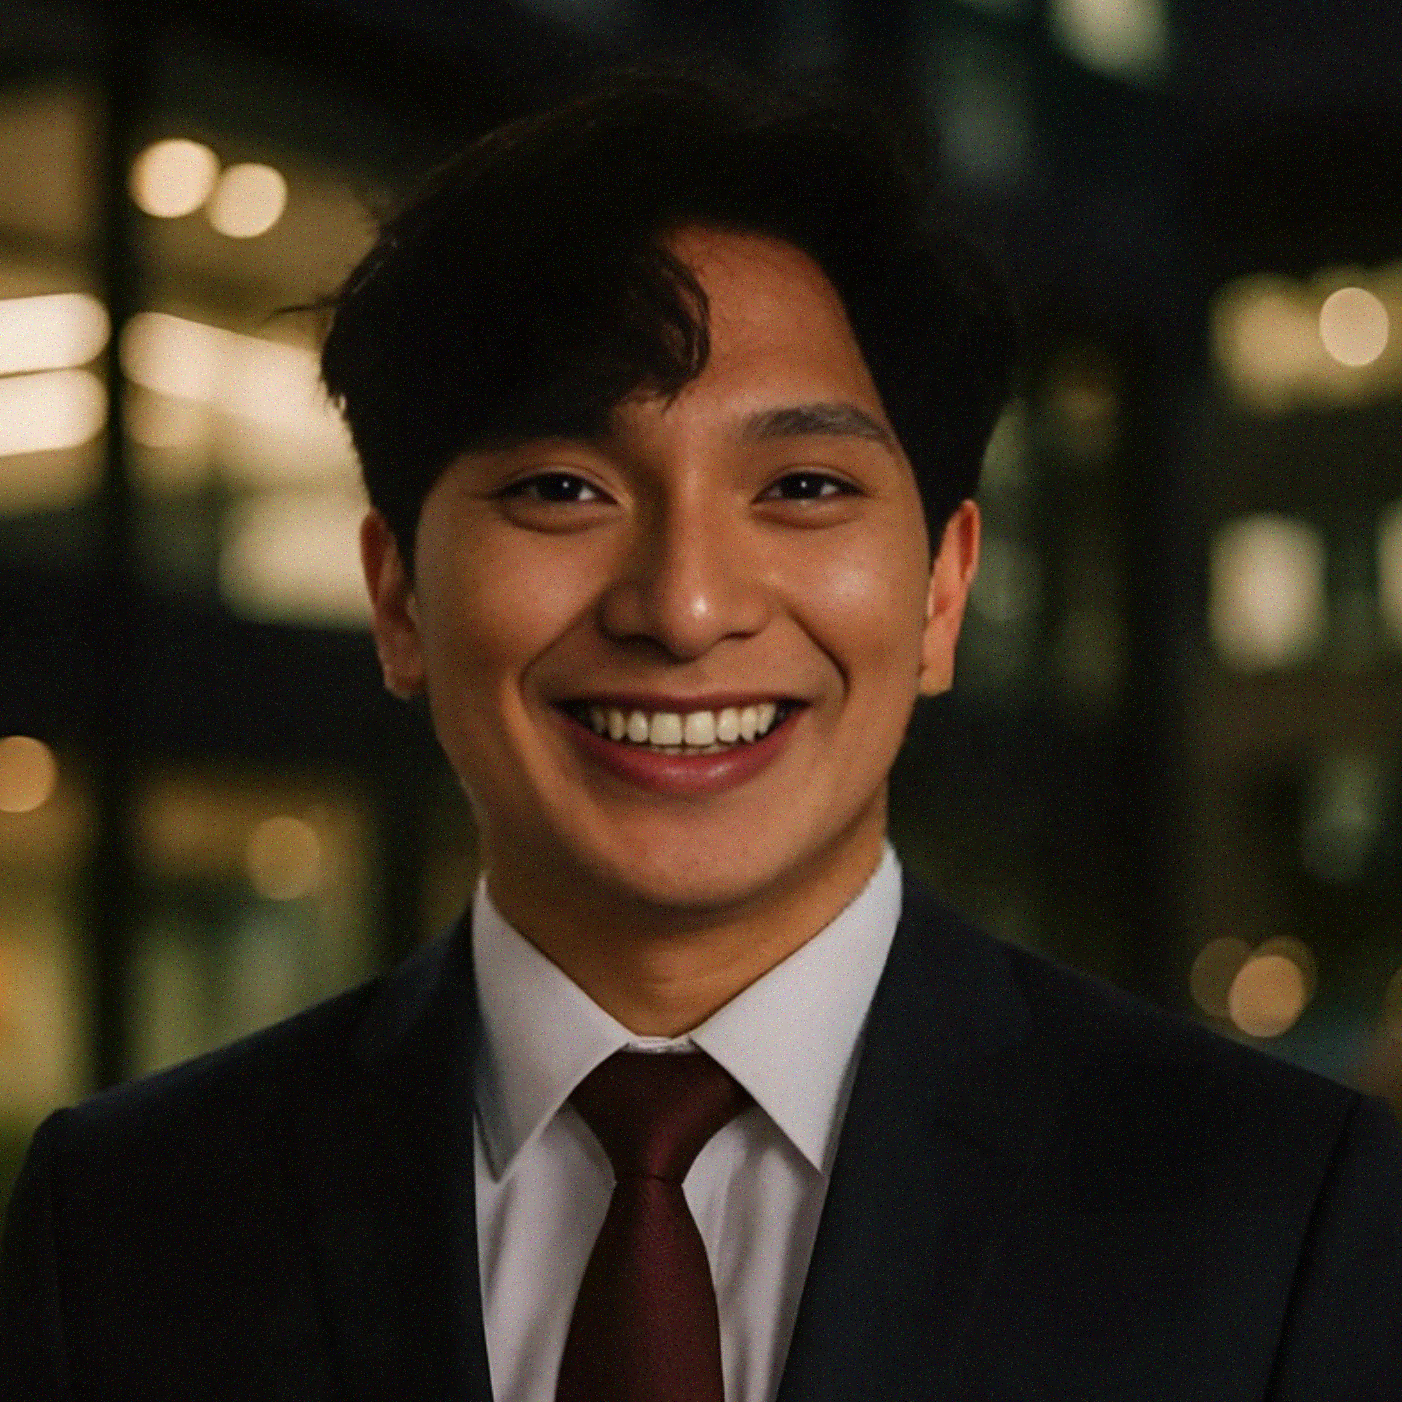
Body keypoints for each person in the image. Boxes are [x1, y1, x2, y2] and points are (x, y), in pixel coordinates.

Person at [4, 66, 1402, 1402]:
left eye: (797, 483)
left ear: (941, 591)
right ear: (397, 597)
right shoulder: (127, 1213)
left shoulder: (1275, 1207)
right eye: (560, 486)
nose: (682, 605)